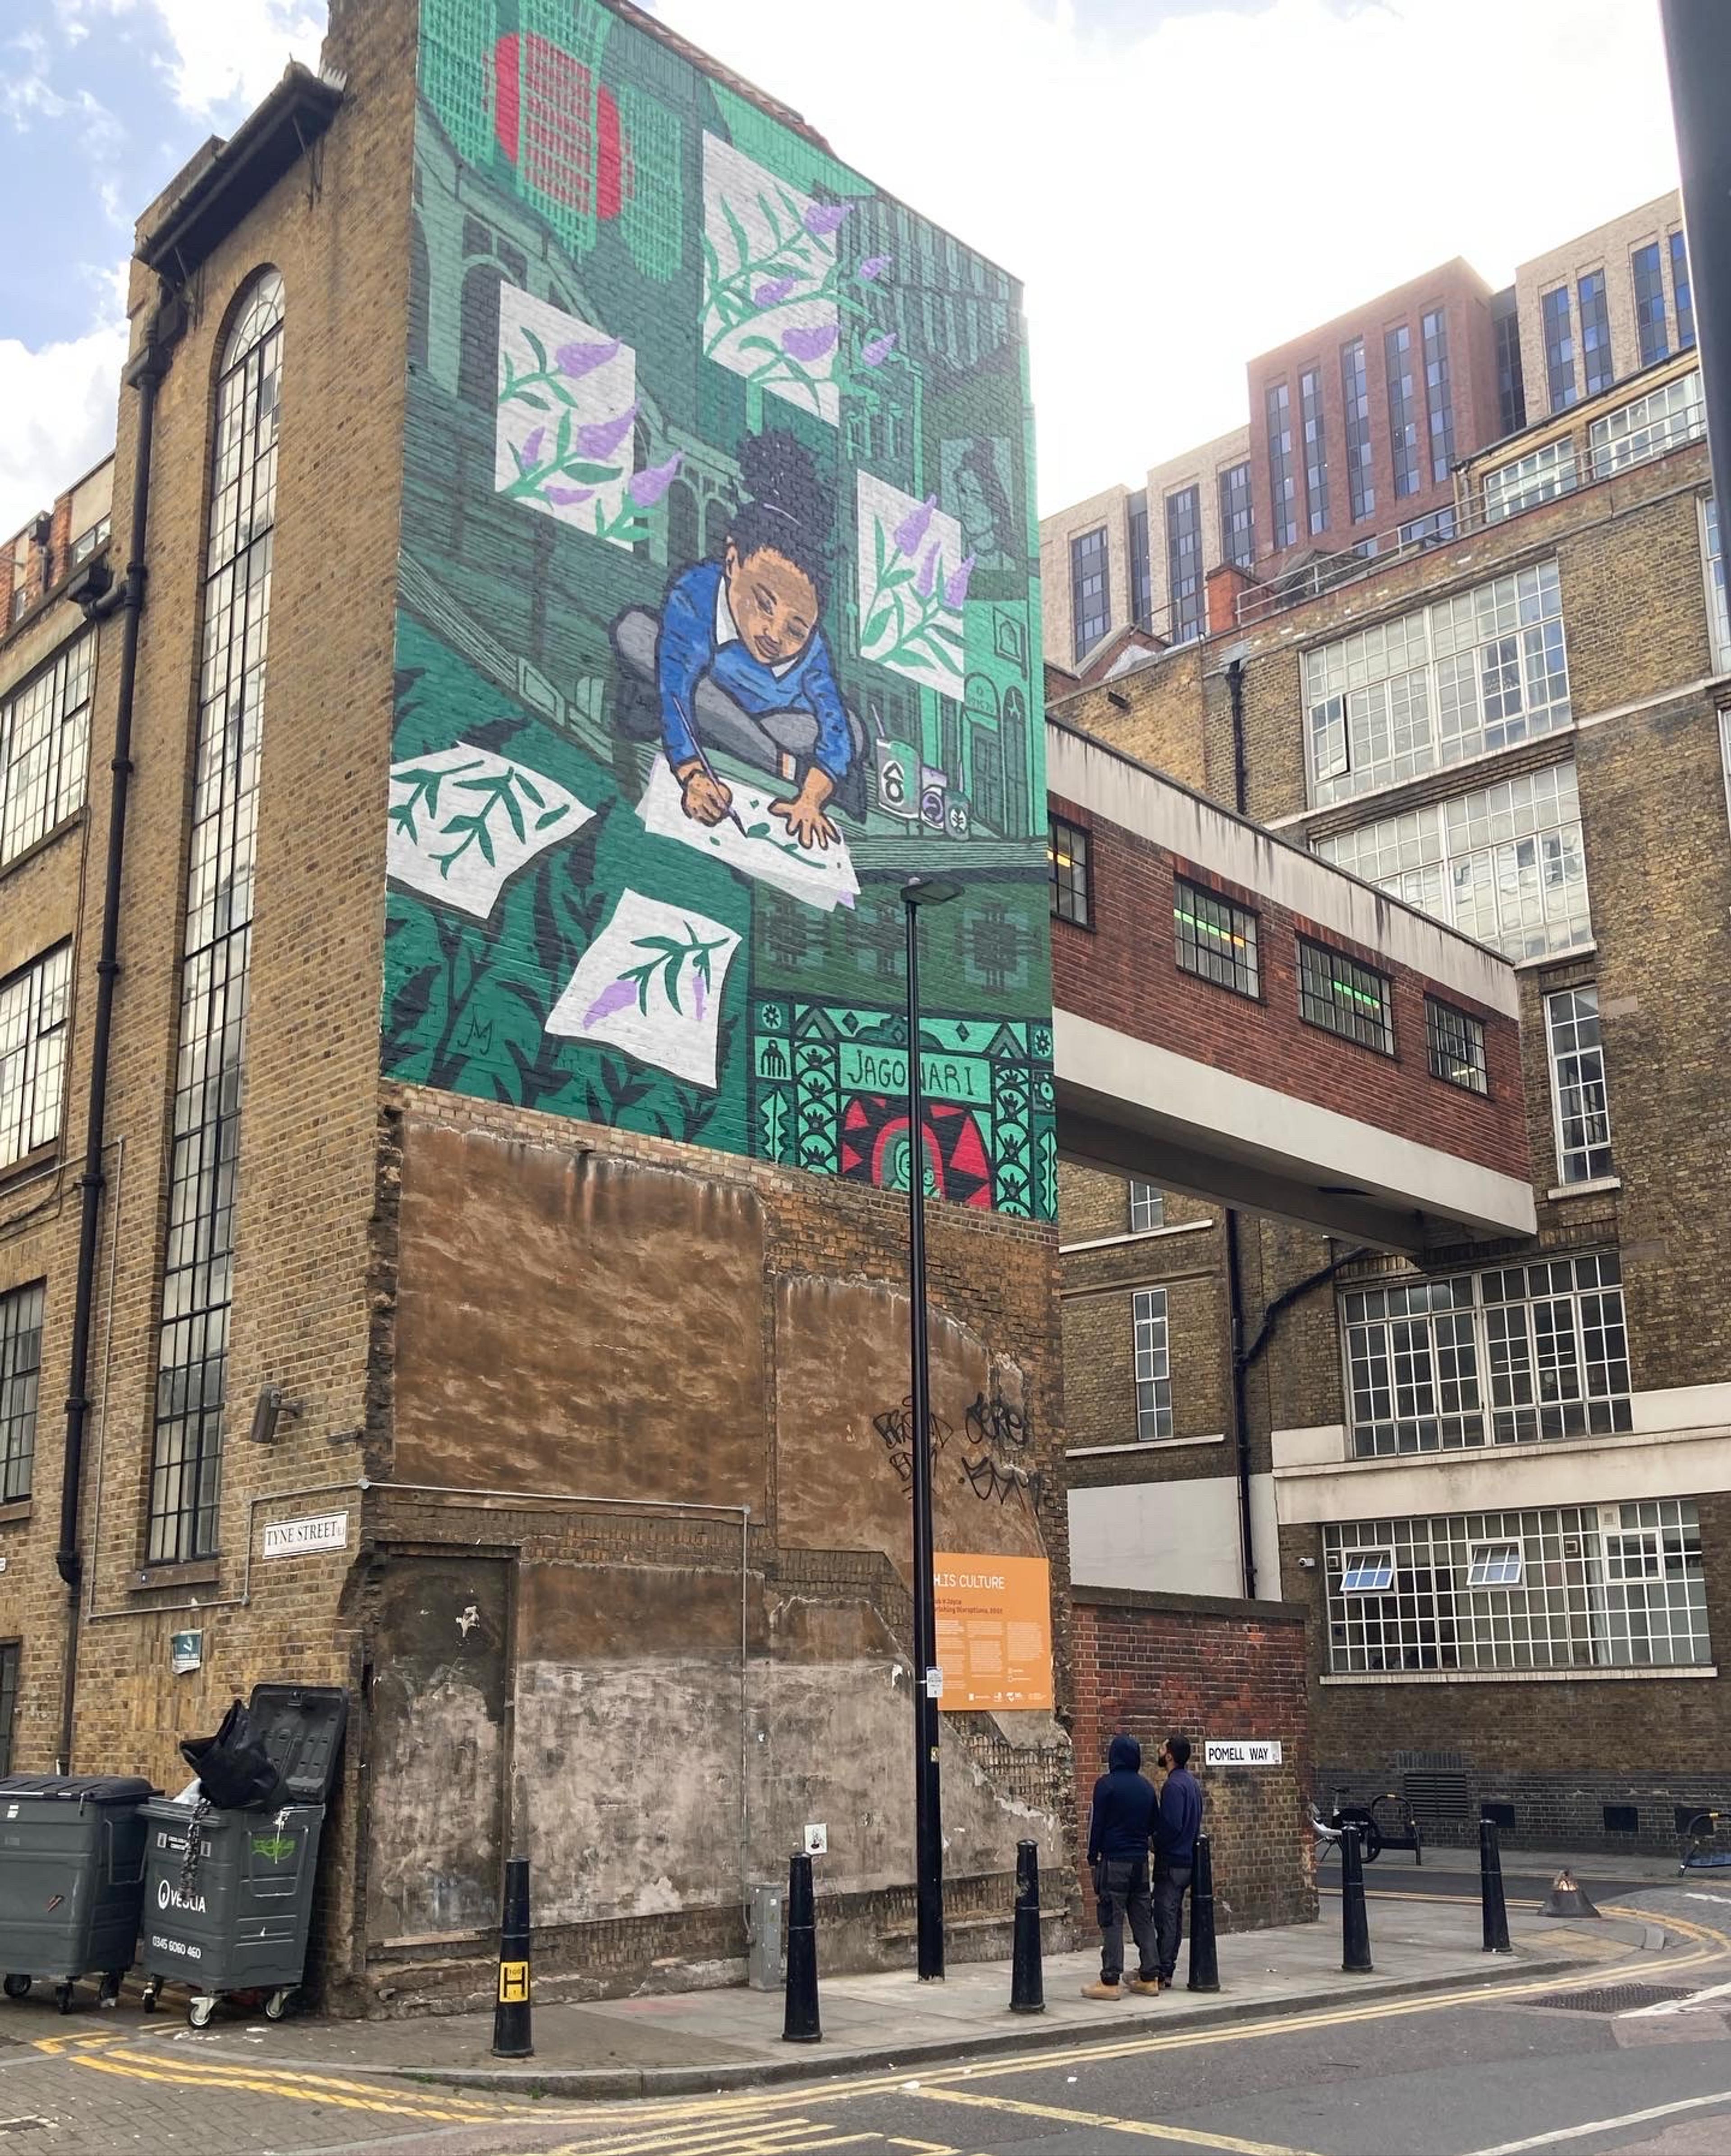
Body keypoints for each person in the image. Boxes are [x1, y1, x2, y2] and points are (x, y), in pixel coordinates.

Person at [653, 429, 853, 851]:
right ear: (731, 562)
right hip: (717, 703)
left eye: (797, 629)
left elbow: (834, 727)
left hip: (784, 723)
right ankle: (775, 761)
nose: (775, 635)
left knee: (847, 726)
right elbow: (675, 689)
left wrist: (812, 798)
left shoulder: (813, 652)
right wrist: (693, 774)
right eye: (763, 605)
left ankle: (775, 757)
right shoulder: (695, 594)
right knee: (636, 634)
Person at [1081, 1732, 1160, 2000]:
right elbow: (1154, 1827)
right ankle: (1150, 1977)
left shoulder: (1106, 1785)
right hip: (1140, 1862)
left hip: (1114, 1861)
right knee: (1143, 1919)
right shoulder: (1147, 1787)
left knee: (1111, 1919)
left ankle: (1110, 1981)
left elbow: (1096, 1825)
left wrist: (1092, 1858)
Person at [1154, 1732, 1202, 1989]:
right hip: (1187, 1861)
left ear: (1170, 1755)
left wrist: (1154, 1842)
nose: (1159, 1752)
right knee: (1174, 1916)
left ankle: (1163, 1971)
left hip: (1172, 1863)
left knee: (1165, 1917)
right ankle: (1166, 1967)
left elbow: (1171, 1826)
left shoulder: (1173, 1786)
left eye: (1162, 1749)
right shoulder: (1192, 1783)